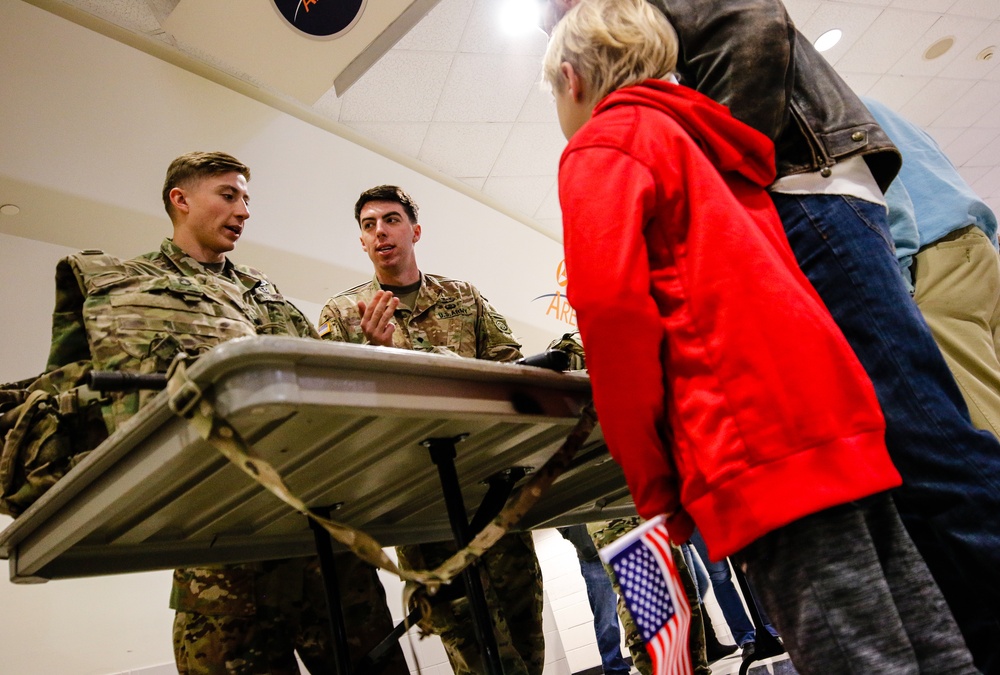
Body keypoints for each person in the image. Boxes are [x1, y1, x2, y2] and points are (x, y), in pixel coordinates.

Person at [540, 0, 1000, 667]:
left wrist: (655, 489)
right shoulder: (720, 151)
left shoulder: (609, 146)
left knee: (861, 649)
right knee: (932, 639)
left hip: (758, 455)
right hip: (847, 437)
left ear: (575, 80)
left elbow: (611, 307)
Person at [43, 152, 407, 675]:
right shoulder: (125, 289)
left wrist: (370, 351)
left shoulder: (267, 297)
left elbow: (316, 395)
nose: (243, 210)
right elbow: (81, 405)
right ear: (181, 199)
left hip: (321, 550)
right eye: (229, 195)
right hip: (223, 562)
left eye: (246, 199)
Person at [318, 184, 545, 675]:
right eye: (368, 224)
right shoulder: (343, 315)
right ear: (361, 241)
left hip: (492, 488)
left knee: (525, 630)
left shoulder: (463, 297)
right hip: (421, 504)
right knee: (473, 645)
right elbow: (337, 414)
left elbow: (510, 370)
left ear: (414, 230)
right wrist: (374, 359)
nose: (381, 231)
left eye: (391, 220)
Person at [864, 96, 1000, 674]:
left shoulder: (810, 111)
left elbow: (882, 205)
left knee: (979, 449)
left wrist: (890, 299)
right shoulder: (878, 104)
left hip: (931, 268)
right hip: (976, 251)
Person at [558, 525, 631, 675]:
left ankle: (651, 660)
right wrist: (573, 534)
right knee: (606, 620)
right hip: (593, 556)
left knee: (641, 605)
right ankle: (615, 670)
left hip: (621, 541)